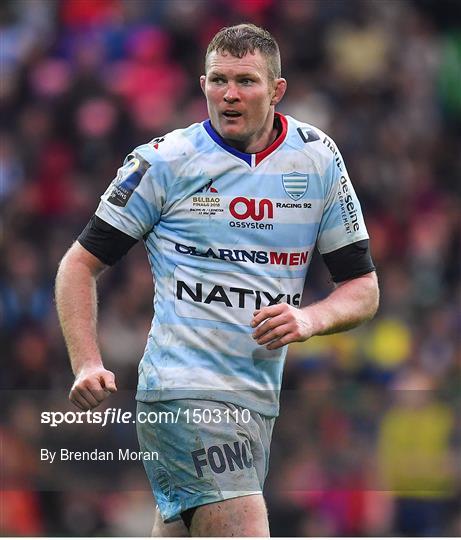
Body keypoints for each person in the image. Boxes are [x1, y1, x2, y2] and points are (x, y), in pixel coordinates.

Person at [55, 23, 379, 537]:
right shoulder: (164, 162)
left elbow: (363, 287)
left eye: (246, 81)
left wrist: (309, 317)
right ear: (201, 83)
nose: (229, 94)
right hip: (182, 389)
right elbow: (79, 264)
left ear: (277, 90)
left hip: (256, 399)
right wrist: (86, 362)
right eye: (217, 80)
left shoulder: (317, 159)